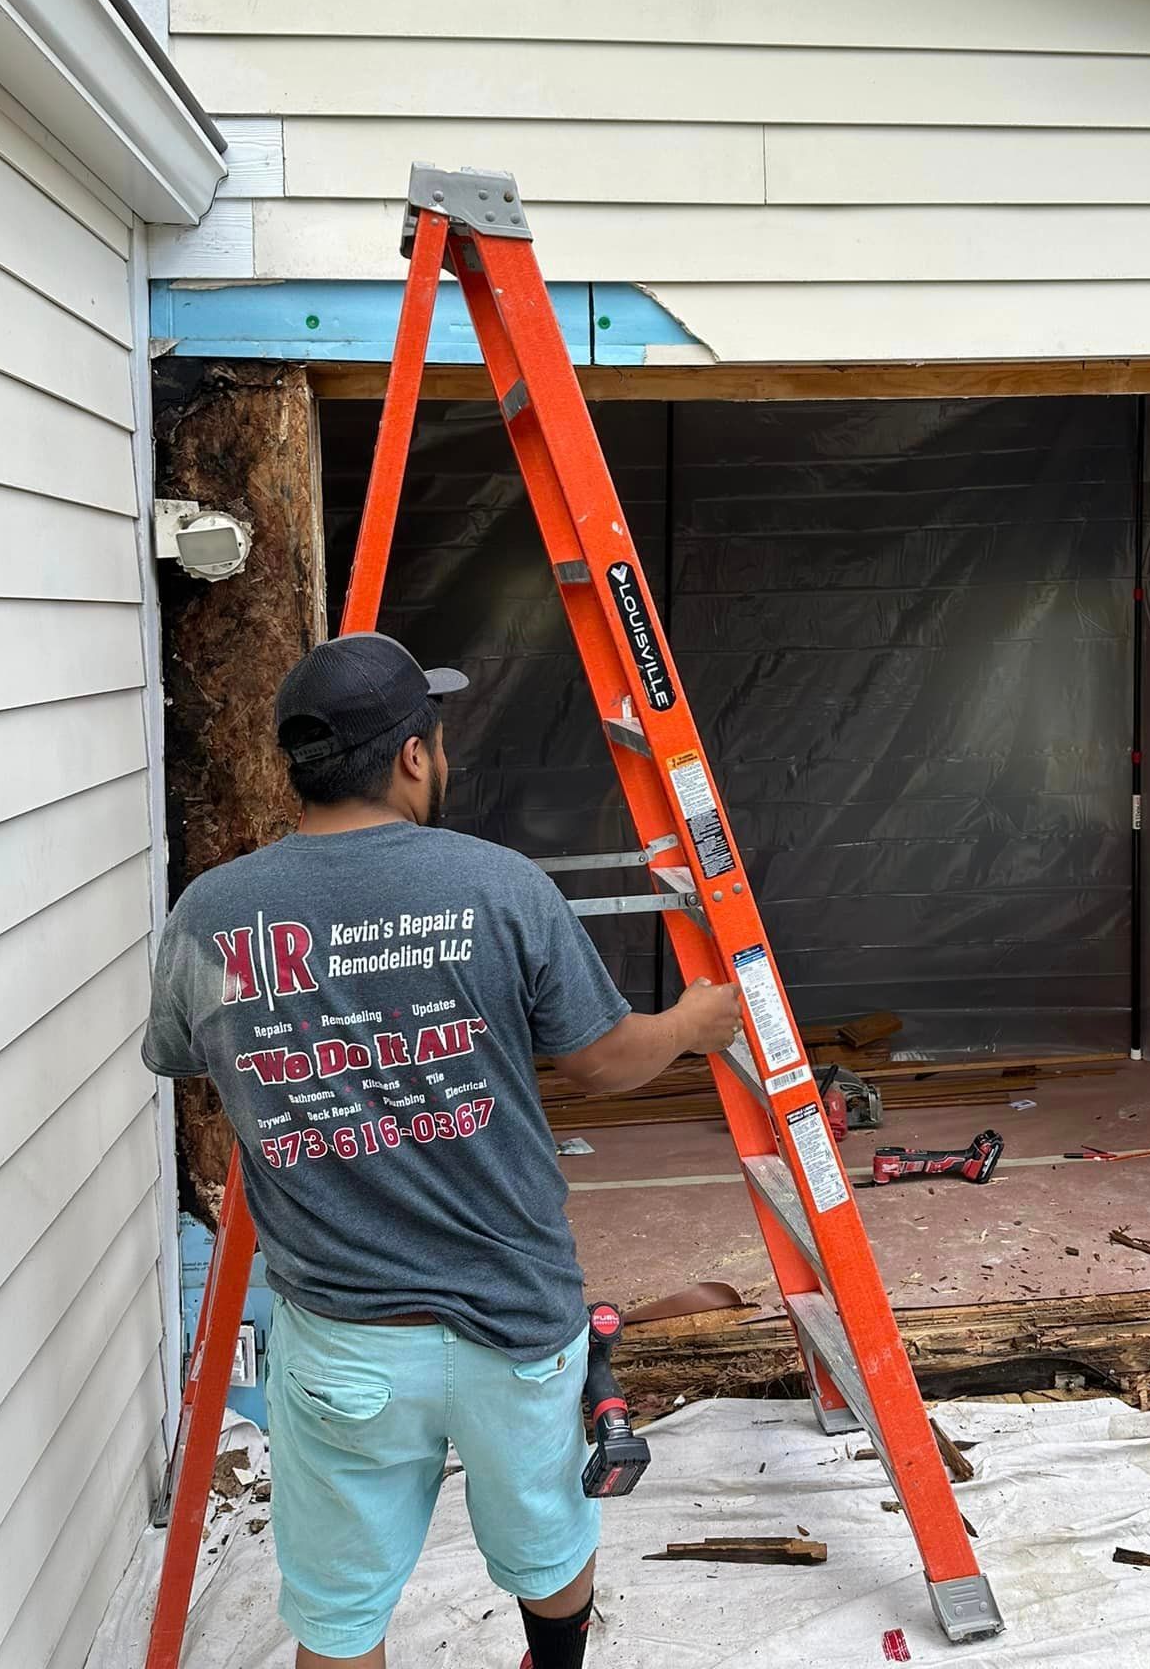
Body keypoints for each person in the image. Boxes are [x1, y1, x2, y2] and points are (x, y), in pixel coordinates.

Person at [144, 632, 742, 1669]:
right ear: (415, 756)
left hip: (342, 1336)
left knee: (338, 1611)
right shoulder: (498, 886)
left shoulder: (210, 913)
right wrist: (692, 1020)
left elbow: (189, 1055)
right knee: (550, 1539)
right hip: (514, 1319)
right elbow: (601, 1063)